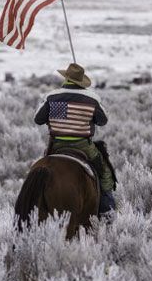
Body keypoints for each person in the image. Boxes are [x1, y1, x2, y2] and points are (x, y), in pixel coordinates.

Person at [34, 63, 116, 216]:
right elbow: (103, 120)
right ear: (80, 81)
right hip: (83, 146)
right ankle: (107, 211)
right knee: (105, 173)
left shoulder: (51, 96)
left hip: (56, 146)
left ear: (66, 78)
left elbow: (38, 119)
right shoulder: (91, 98)